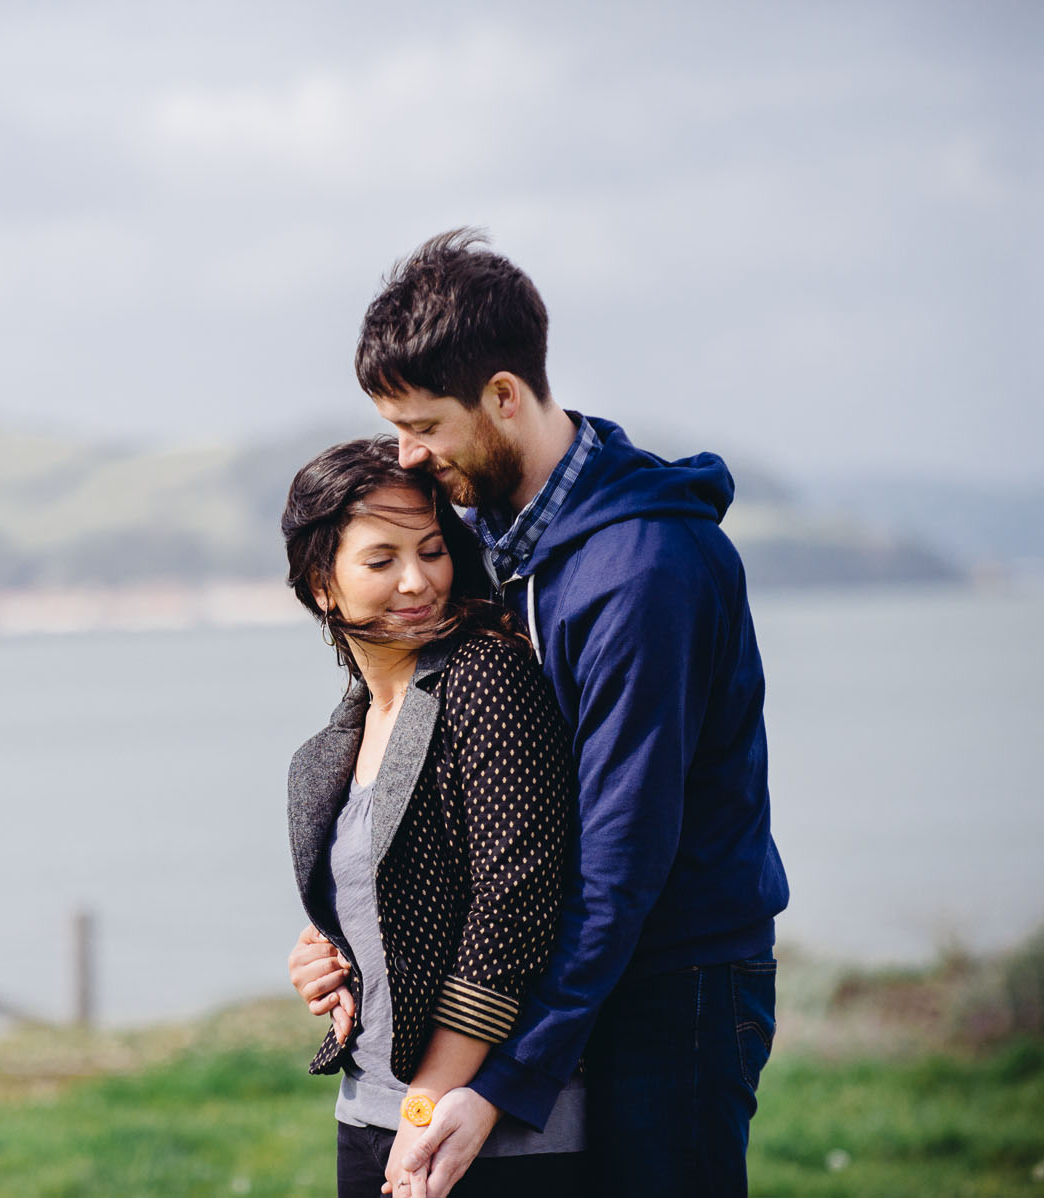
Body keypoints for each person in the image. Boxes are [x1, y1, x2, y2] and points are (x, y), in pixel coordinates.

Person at [301, 228, 790, 1197]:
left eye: (425, 426)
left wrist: (503, 1081)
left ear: (504, 397)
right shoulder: (484, 542)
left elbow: (622, 859)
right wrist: (348, 934)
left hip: (672, 986)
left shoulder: (642, 574)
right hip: (565, 978)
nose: (408, 455)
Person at [281, 437, 586, 1198]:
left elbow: (516, 903)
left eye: (430, 550)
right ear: (322, 583)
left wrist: (428, 1103)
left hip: (492, 1133)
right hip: (371, 1115)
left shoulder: (486, 677)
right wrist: (325, 951)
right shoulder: (337, 741)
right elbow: (395, 887)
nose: (417, 582)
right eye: (380, 561)